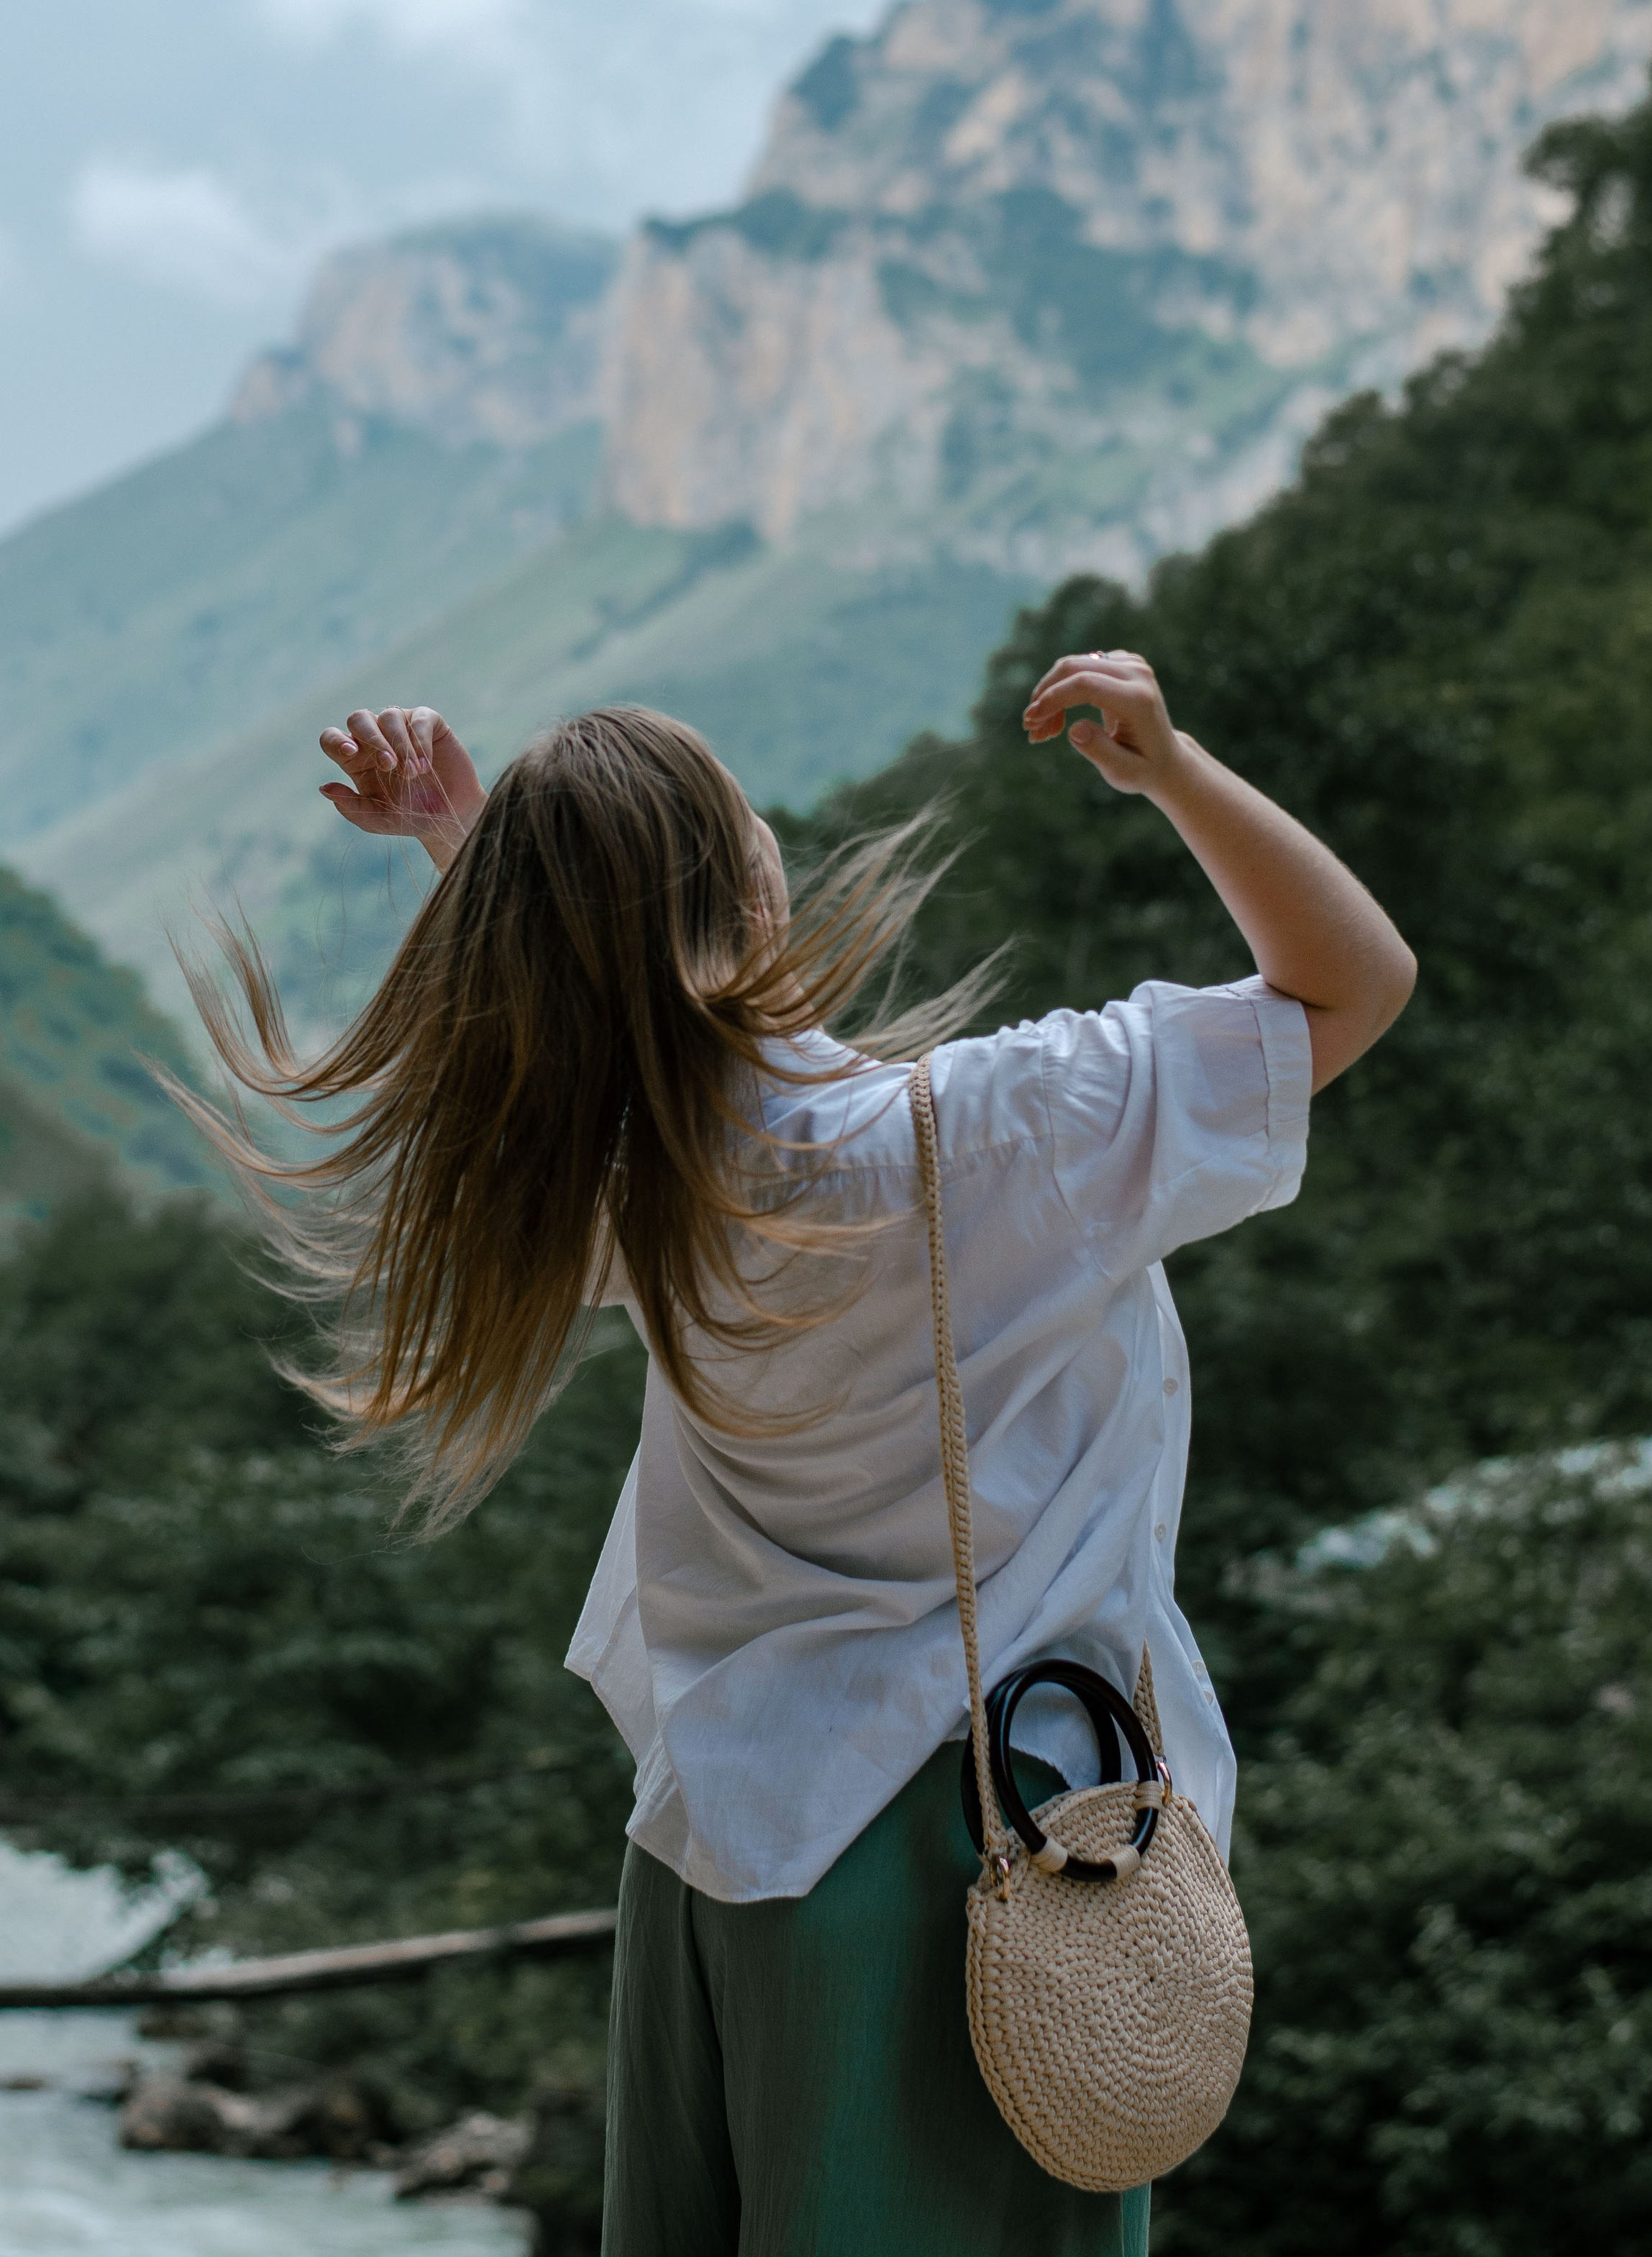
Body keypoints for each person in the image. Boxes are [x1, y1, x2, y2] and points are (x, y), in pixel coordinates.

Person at [182, 649, 1414, 2257]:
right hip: (981, 1865)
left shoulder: (631, 1184)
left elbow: (598, 1031)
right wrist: (1169, 769)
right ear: (749, 893)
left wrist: (482, 851)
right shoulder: (1005, 1130)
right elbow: (1349, 981)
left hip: (721, 1845)